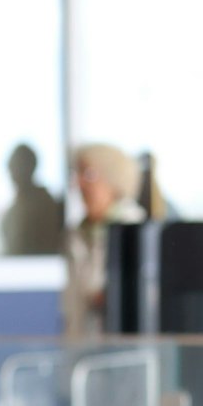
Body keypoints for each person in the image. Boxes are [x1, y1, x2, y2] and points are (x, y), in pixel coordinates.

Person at [61, 142, 145, 337]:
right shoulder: (76, 233)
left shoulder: (135, 231)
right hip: (80, 346)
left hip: (120, 351)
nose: (79, 184)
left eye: (88, 175)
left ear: (113, 181)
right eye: (77, 174)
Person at [0, 142, 64, 256]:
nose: (13, 174)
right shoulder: (12, 211)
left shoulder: (45, 205)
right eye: (12, 168)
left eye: (18, 167)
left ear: (30, 168)